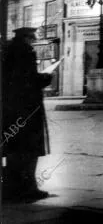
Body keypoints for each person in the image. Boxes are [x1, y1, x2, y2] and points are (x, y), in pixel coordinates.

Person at [2, 27, 52, 201]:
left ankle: (13, 187)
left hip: (11, 110)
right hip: (28, 109)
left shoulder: (8, 51)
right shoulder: (25, 53)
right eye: (32, 38)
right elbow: (28, 80)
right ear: (27, 38)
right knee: (29, 150)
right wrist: (45, 78)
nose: (34, 40)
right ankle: (27, 188)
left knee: (15, 150)